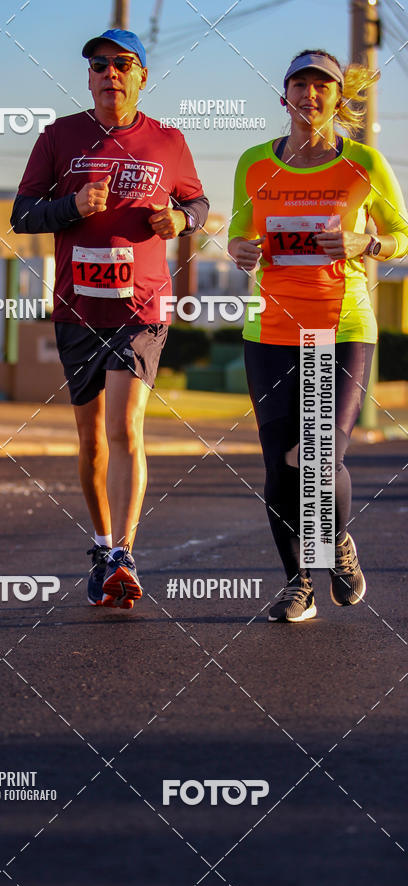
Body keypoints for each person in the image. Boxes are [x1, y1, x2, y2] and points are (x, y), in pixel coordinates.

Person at [12, 29, 209, 608]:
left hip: (142, 306)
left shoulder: (168, 141)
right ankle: (101, 546)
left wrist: (181, 219)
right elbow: (23, 213)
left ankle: (124, 553)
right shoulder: (59, 137)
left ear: (142, 75)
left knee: (126, 428)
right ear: (89, 76)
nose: (109, 73)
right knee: (91, 439)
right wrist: (70, 206)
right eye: (99, 64)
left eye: (123, 64)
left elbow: (197, 202)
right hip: (77, 307)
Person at [228, 50, 408, 623]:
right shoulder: (255, 163)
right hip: (271, 327)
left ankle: (336, 545)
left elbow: (403, 234)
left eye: (322, 86)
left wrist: (368, 245)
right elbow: (237, 234)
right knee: (282, 464)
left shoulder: (363, 164)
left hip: (343, 325)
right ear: (284, 97)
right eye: (299, 85)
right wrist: (239, 251)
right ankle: (299, 582)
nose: (310, 95)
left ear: (337, 98)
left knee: (318, 455)